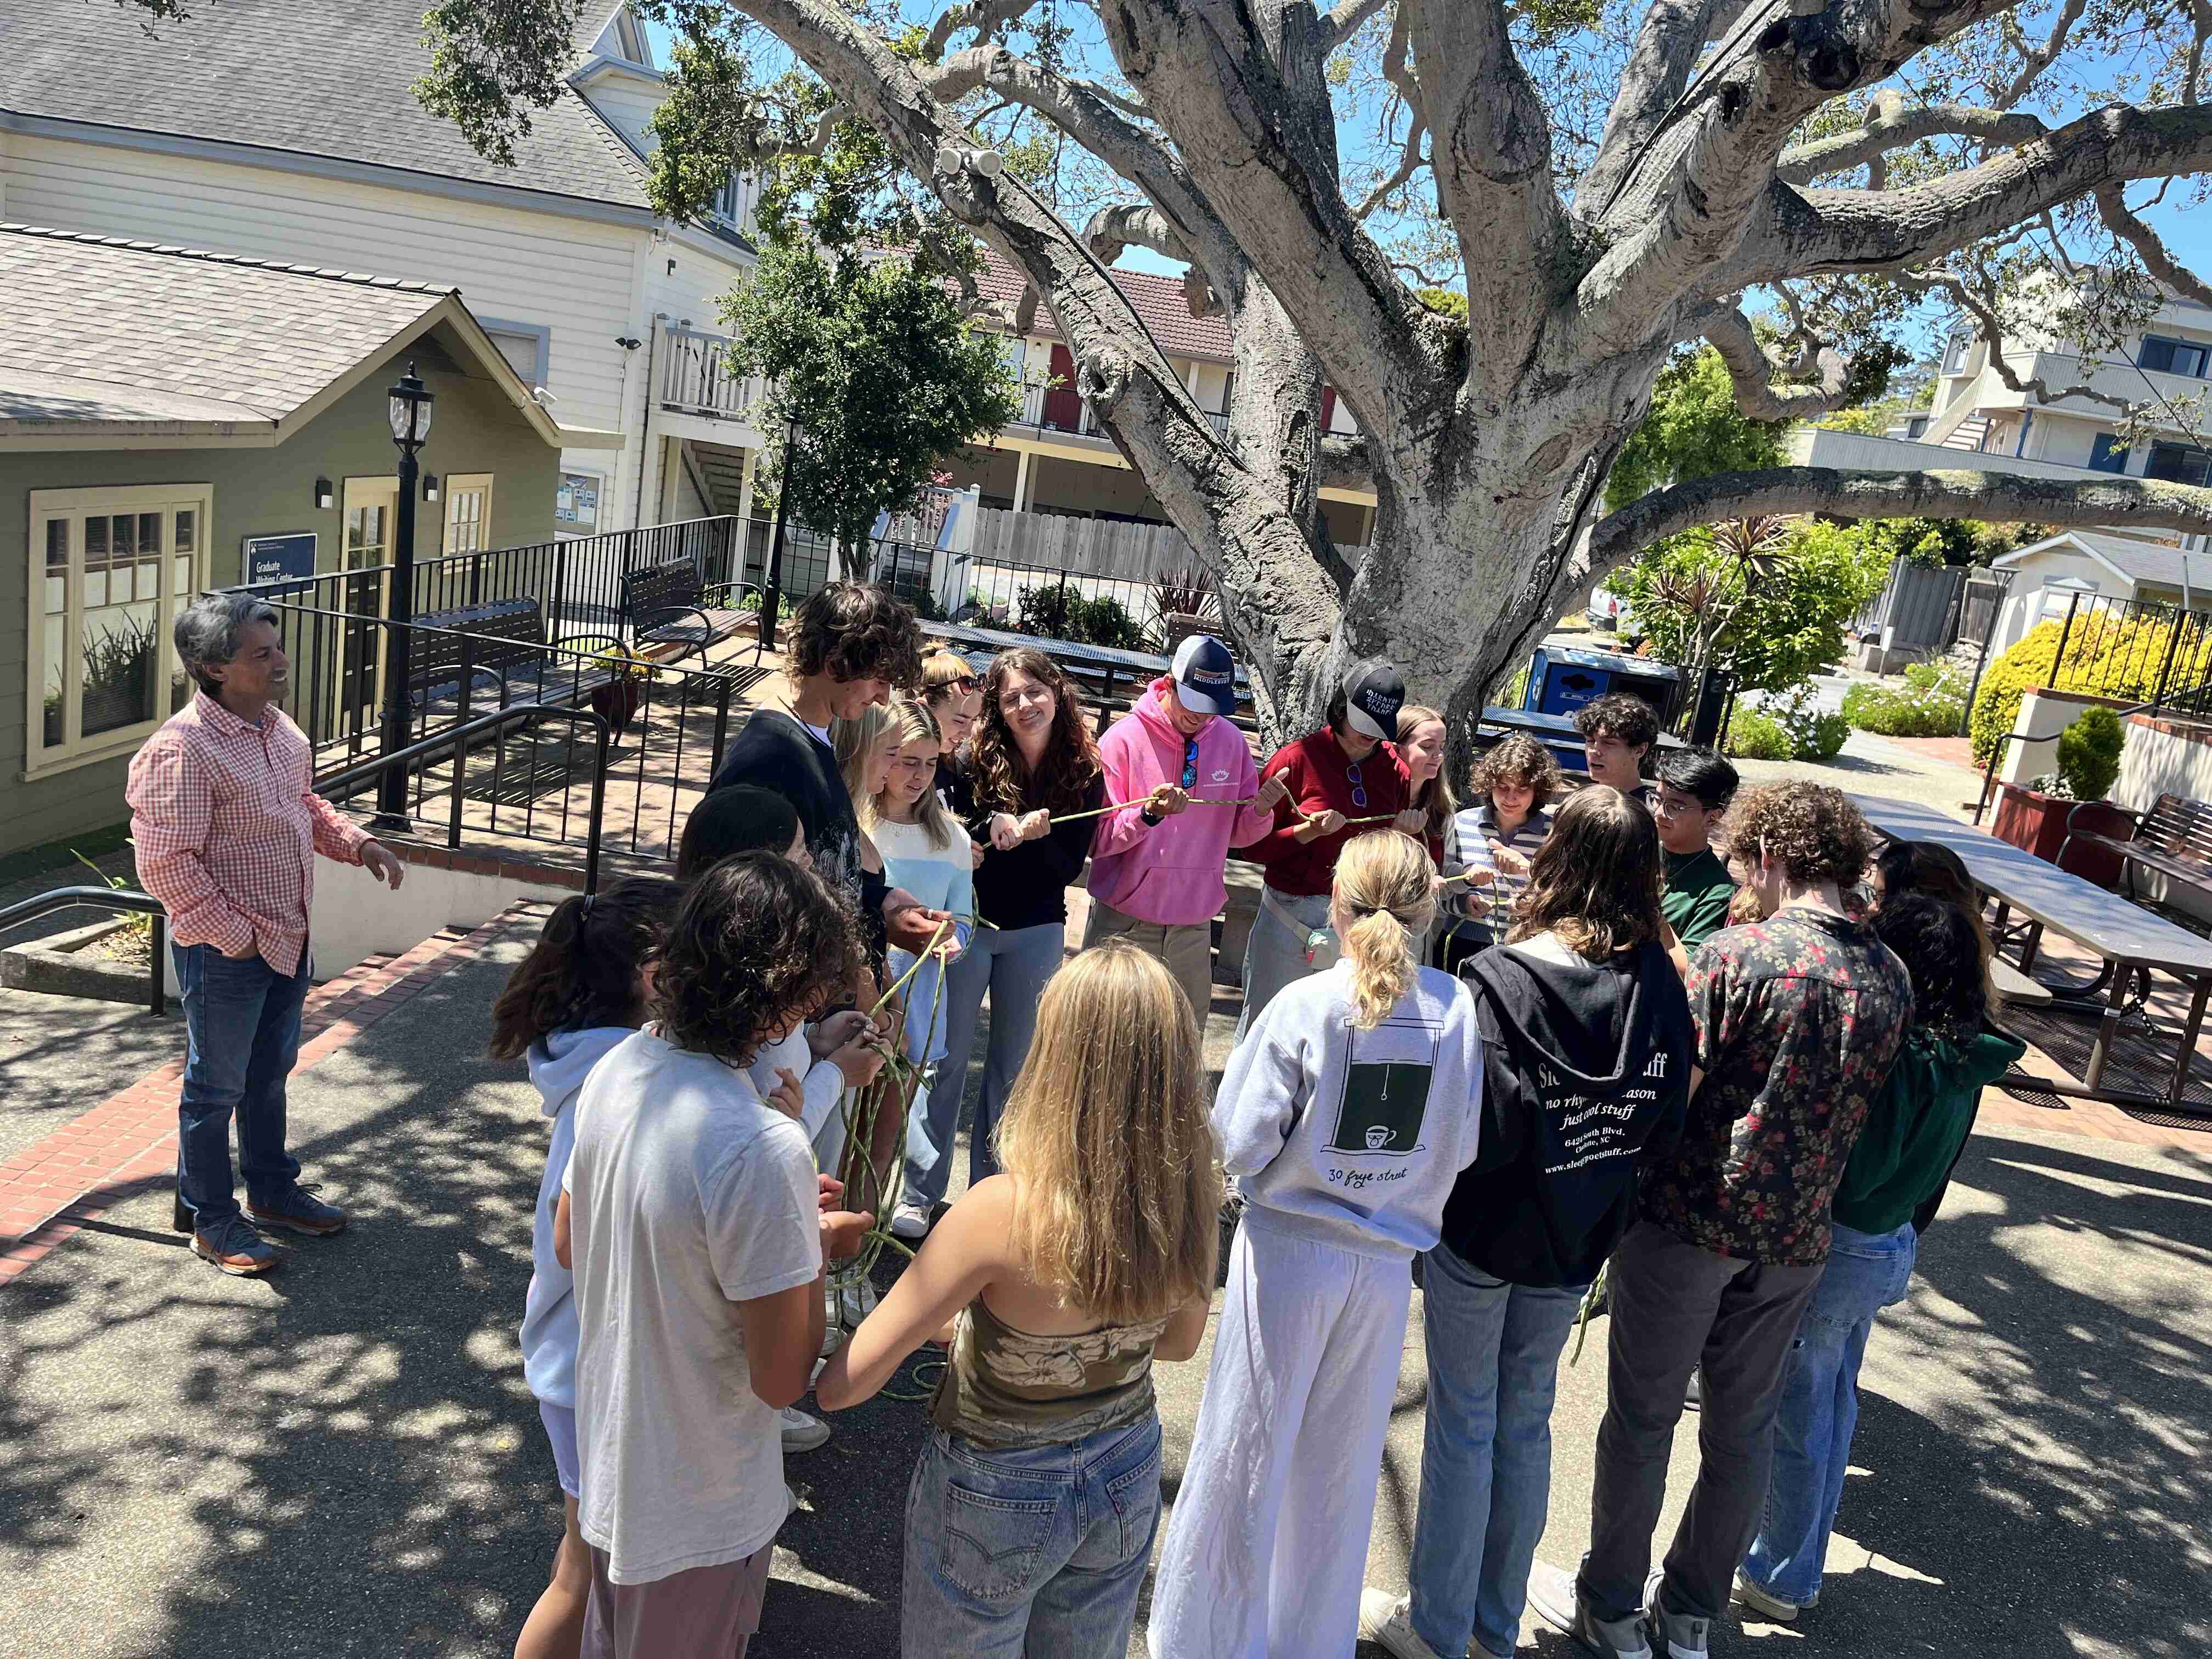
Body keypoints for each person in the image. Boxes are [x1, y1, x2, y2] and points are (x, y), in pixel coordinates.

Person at [1529, 782, 1912, 1659]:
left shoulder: (1736, 958)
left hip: (1692, 1222)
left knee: (1643, 1420)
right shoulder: (1886, 974)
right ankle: (1693, 1613)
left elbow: (1676, 1093)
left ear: (1770, 857)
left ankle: (1613, 1604)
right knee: (1742, 1431)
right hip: (1797, 1238)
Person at [1362, 788, 1693, 1659]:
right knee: (1526, 1420)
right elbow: (1667, 1114)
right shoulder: (1659, 980)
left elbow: (1480, 1124)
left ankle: (1438, 1627)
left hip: (1484, 1233)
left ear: (1557, 858)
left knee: (1466, 1423)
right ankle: (1494, 1625)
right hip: (1578, 1234)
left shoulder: (1501, 978)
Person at [815, 944, 1217, 1659]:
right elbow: (1179, 1342)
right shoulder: (1189, 1189)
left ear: (1058, 1054)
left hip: (996, 1482)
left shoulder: (1001, 1211)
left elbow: (847, 1385)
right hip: (1125, 1459)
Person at [1149, 831, 1485, 1659]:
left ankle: (1204, 1639)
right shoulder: (1455, 1009)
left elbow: (1239, 1136)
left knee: (1246, 1452)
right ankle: (1309, 1641)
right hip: (1384, 1267)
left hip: (1291, 1252)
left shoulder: (1306, 1005)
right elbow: (1461, 1143)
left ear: (1335, 906)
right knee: (1337, 1469)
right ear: (1428, 907)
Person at [552, 854, 872, 1658]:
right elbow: (779, 1378)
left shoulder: (620, 1065)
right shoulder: (763, 1147)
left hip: (615, 1466)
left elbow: (568, 1239)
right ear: (785, 1005)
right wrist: (811, 1253)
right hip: (701, 1501)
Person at [1736, 892, 2023, 1626]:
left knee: (1801, 1418)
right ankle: (1791, 1565)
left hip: (1845, 1246)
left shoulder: (1910, 1060)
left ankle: (1783, 1574)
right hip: (1888, 1243)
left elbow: (1860, 1174)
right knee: (1831, 1410)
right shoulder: (1966, 1049)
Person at [127, 592, 407, 1277]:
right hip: (226, 953)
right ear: (212, 668)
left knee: (268, 1079)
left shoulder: (279, 732)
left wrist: (358, 843)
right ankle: (214, 1221)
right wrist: (237, 939)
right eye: (262, 653)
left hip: (288, 938)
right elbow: (165, 863)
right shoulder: (181, 751)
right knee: (214, 1090)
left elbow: (304, 806)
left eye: (276, 647)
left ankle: (275, 1193)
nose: (282, 661)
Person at [489, 878, 688, 1659]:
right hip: (590, 1369)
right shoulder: (624, 1079)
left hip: (582, 1362)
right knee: (586, 1571)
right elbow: (580, 1242)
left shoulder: (606, 1065)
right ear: (655, 977)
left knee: (590, 1565)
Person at [925, 649, 1106, 1201]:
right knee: (948, 1059)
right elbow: (953, 829)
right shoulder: (971, 761)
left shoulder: (1085, 771)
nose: (1025, 705)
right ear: (998, 711)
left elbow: (1067, 868)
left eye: (1034, 691)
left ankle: (989, 1195)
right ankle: (920, 1191)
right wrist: (989, 825)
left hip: (1037, 928)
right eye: (1010, 699)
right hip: (971, 921)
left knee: (1014, 1069)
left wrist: (1035, 835)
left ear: (1056, 691)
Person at [706, 580, 946, 961]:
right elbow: (743, 906)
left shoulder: (817, 738)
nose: (884, 698)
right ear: (836, 664)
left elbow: (826, 869)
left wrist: (881, 904)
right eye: (879, 680)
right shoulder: (770, 757)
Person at [1084, 634, 1288, 1022]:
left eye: (1211, 707)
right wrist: (1147, 816)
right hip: (1125, 923)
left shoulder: (1232, 743)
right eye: (1193, 702)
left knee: (1182, 1055)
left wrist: (1261, 810)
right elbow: (1097, 840)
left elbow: (1240, 835)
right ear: (1170, 682)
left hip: (1193, 928)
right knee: (1105, 1045)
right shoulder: (1122, 740)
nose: (1200, 715)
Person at [1239, 658, 1414, 1035]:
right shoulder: (1296, 760)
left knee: (1340, 1032)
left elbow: (1395, 850)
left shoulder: (1396, 770)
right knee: (1266, 1026)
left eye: (1378, 728)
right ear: (1340, 708)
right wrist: (1306, 833)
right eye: (1361, 723)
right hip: (1291, 914)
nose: (1370, 736)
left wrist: (1405, 836)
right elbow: (1251, 851)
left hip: (1362, 922)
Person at [864, 696, 977, 1242]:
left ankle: (863, 1232)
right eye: (909, 761)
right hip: (864, 994)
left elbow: (967, 915)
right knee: (848, 1122)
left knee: (885, 1131)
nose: (918, 777)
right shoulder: (859, 828)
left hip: (920, 999)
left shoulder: (950, 838)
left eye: (931, 764)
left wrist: (950, 939)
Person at [1437, 732, 1561, 974]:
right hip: (1460, 942)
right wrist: (1464, 901)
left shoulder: (1553, 832)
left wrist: (1528, 873)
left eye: (1522, 789)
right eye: (1502, 787)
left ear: (1538, 790)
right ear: (1489, 784)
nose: (1510, 798)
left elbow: (1560, 890)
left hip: (1524, 949)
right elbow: (1441, 888)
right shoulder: (1461, 824)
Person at [1652, 747, 1740, 955]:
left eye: (1674, 807)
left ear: (1713, 817)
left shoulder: (1717, 892)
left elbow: (1691, 971)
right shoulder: (1635, 847)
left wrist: (1649, 905)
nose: (1659, 813)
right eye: (1658, 800)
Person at [1397, 703, 1454, 866]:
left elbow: (1444, 867)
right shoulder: (1374, 801)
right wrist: (1397, 834)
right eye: (1427, 746)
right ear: (1397, 748)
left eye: (1442, 747)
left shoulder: (1440, 809)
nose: (1438, 755)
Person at [1576, 693, 1659, 796]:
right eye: (1590, 741)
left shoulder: (1642, 810)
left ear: (1639, 750)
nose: (1594, 751)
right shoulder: (1585, 799)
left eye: (1608, 743)